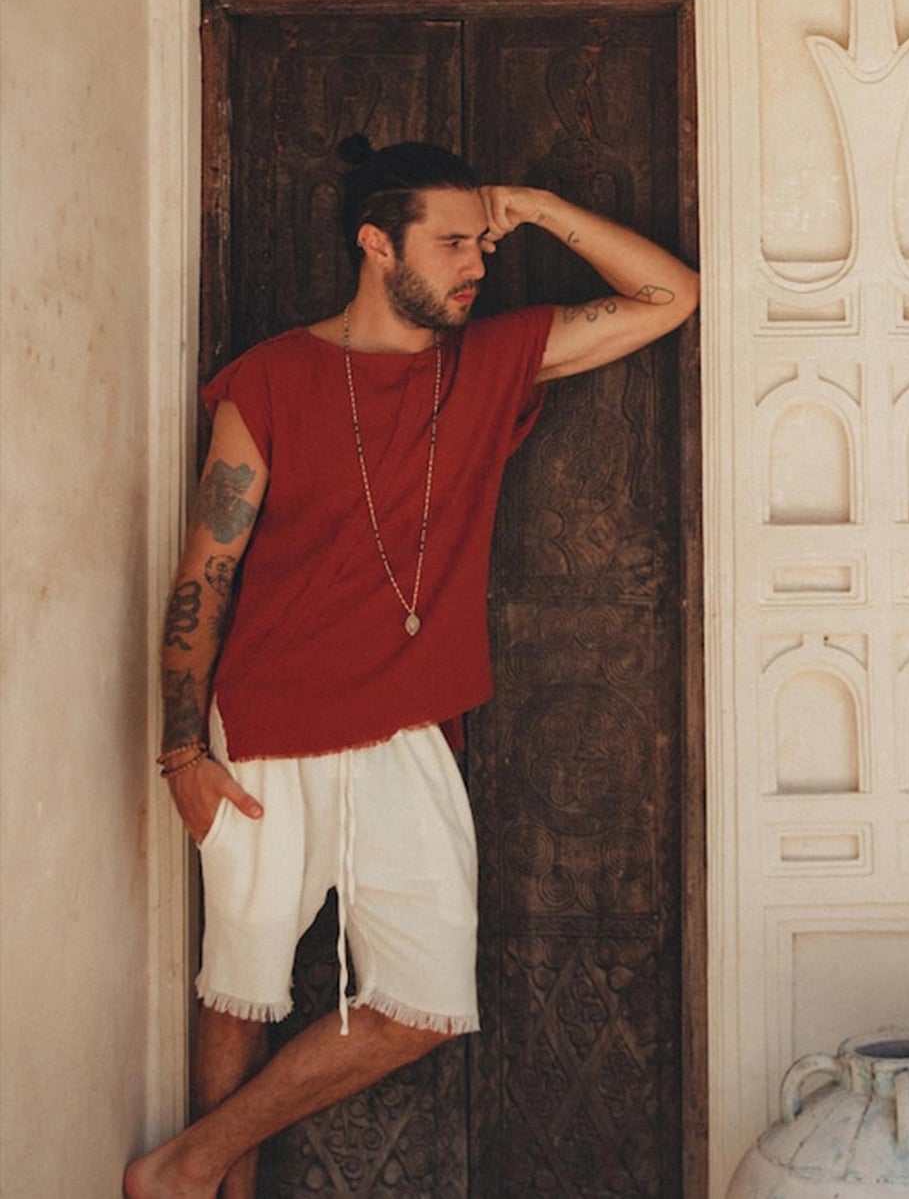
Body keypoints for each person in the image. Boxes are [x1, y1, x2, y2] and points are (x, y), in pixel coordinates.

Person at [124, 138, 700, 1199]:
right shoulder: (272, 379)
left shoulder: (493, 360)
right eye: (451, 242)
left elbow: (669, 294)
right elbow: (205, 569)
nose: (476, 262)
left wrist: (535, 202)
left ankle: (186, 1164)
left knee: (426, 999)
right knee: (239, 991)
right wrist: (178, 751)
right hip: (264, 724)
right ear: (376, 243)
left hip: (405, 729)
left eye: (483, 241)